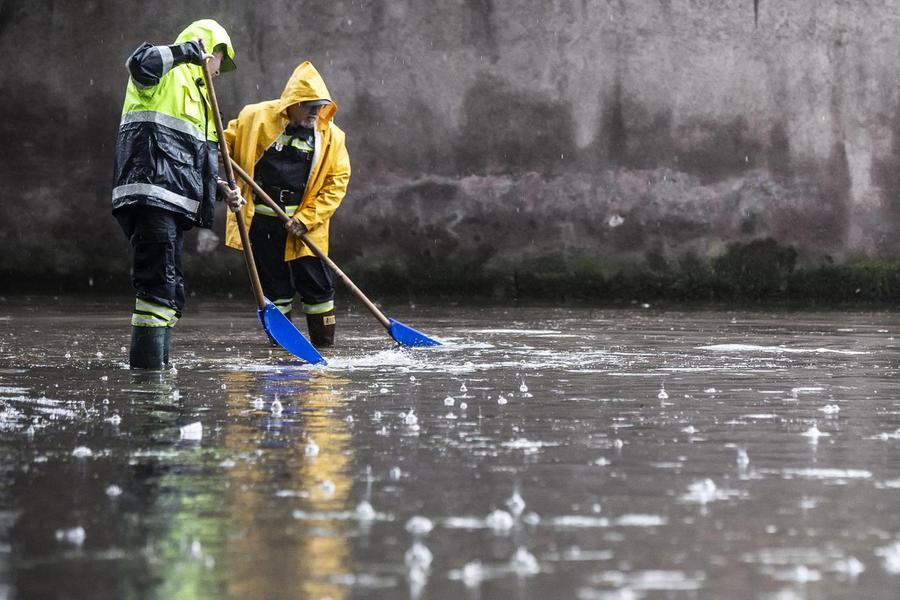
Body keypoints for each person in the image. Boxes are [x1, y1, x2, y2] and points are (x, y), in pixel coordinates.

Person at [112, 19, 246, 369]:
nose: (219, 71)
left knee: (169, 293)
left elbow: (194, 165)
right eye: (220, 61)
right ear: (209, 51)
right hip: (150, 195)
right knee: (157, 287)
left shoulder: (204, 102)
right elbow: (138, 62)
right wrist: (186, 52)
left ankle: (155, 370)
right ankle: (148, 379)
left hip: (171, 203)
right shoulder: (166, 73)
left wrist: (221, 191)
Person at [224, 61, 351, 348]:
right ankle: (282, 348)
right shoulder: (254, 118)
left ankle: (322, 347)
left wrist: (305, 219)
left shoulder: (332, 137)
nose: (315, 113)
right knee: (274, 289)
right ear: (292, 104)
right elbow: (221, 144)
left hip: (306, 228)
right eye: (309, 106)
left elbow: (336, 183)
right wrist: (218, 152)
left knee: (318, 288)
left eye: (320, 106)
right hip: (264, 223)